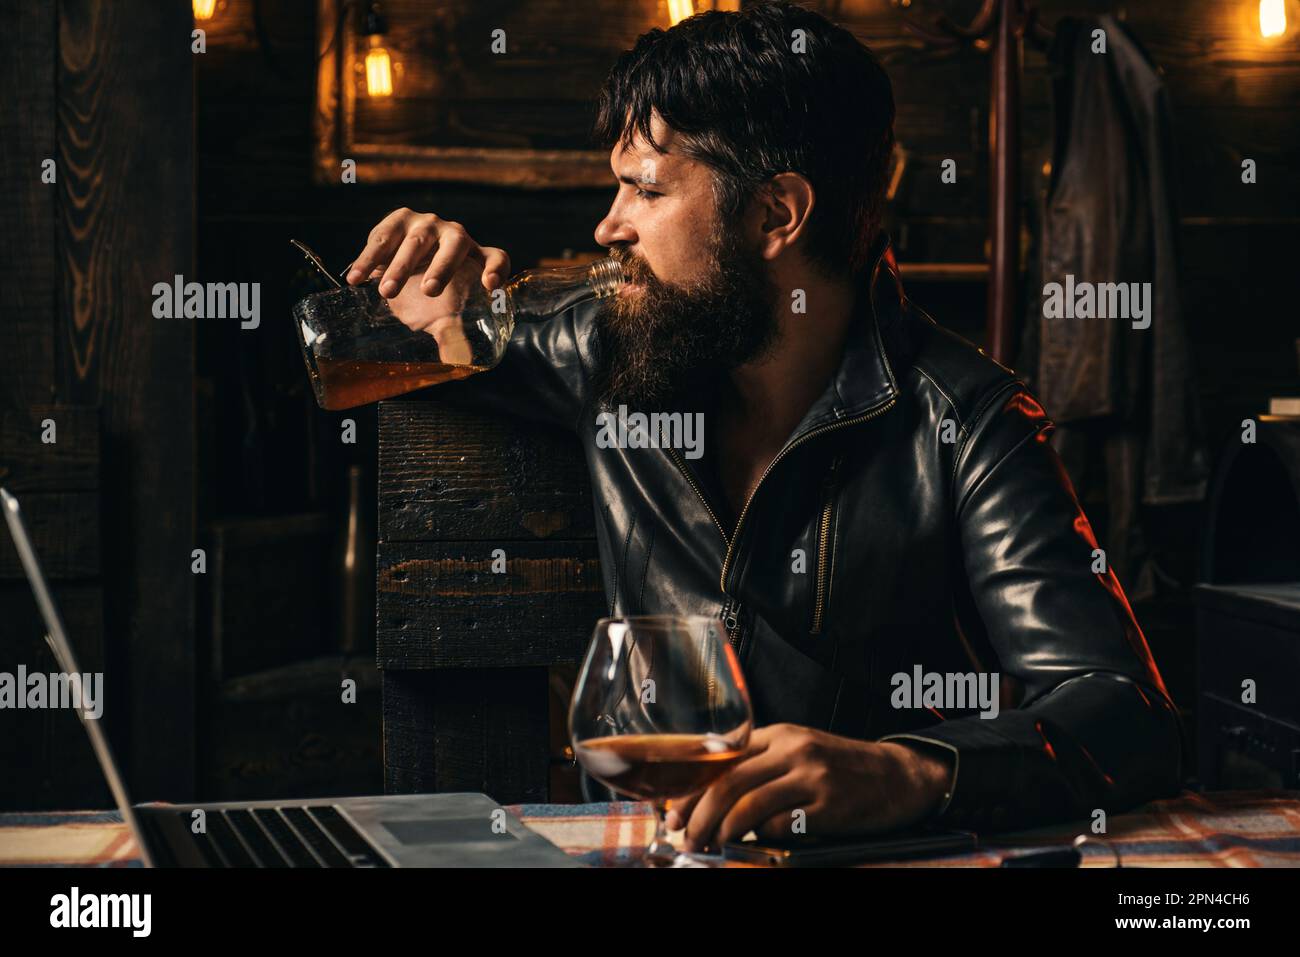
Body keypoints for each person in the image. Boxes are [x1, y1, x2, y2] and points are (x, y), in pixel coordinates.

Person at [344, 1, 1183, 854]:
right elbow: (388, 344)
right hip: (654, 847)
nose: (609, 225)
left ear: (778, 213)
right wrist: (413, 278)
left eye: (644, 187)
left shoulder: (967, 420)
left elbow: (1123, 711)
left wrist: (909, 770)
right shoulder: (604, 346)